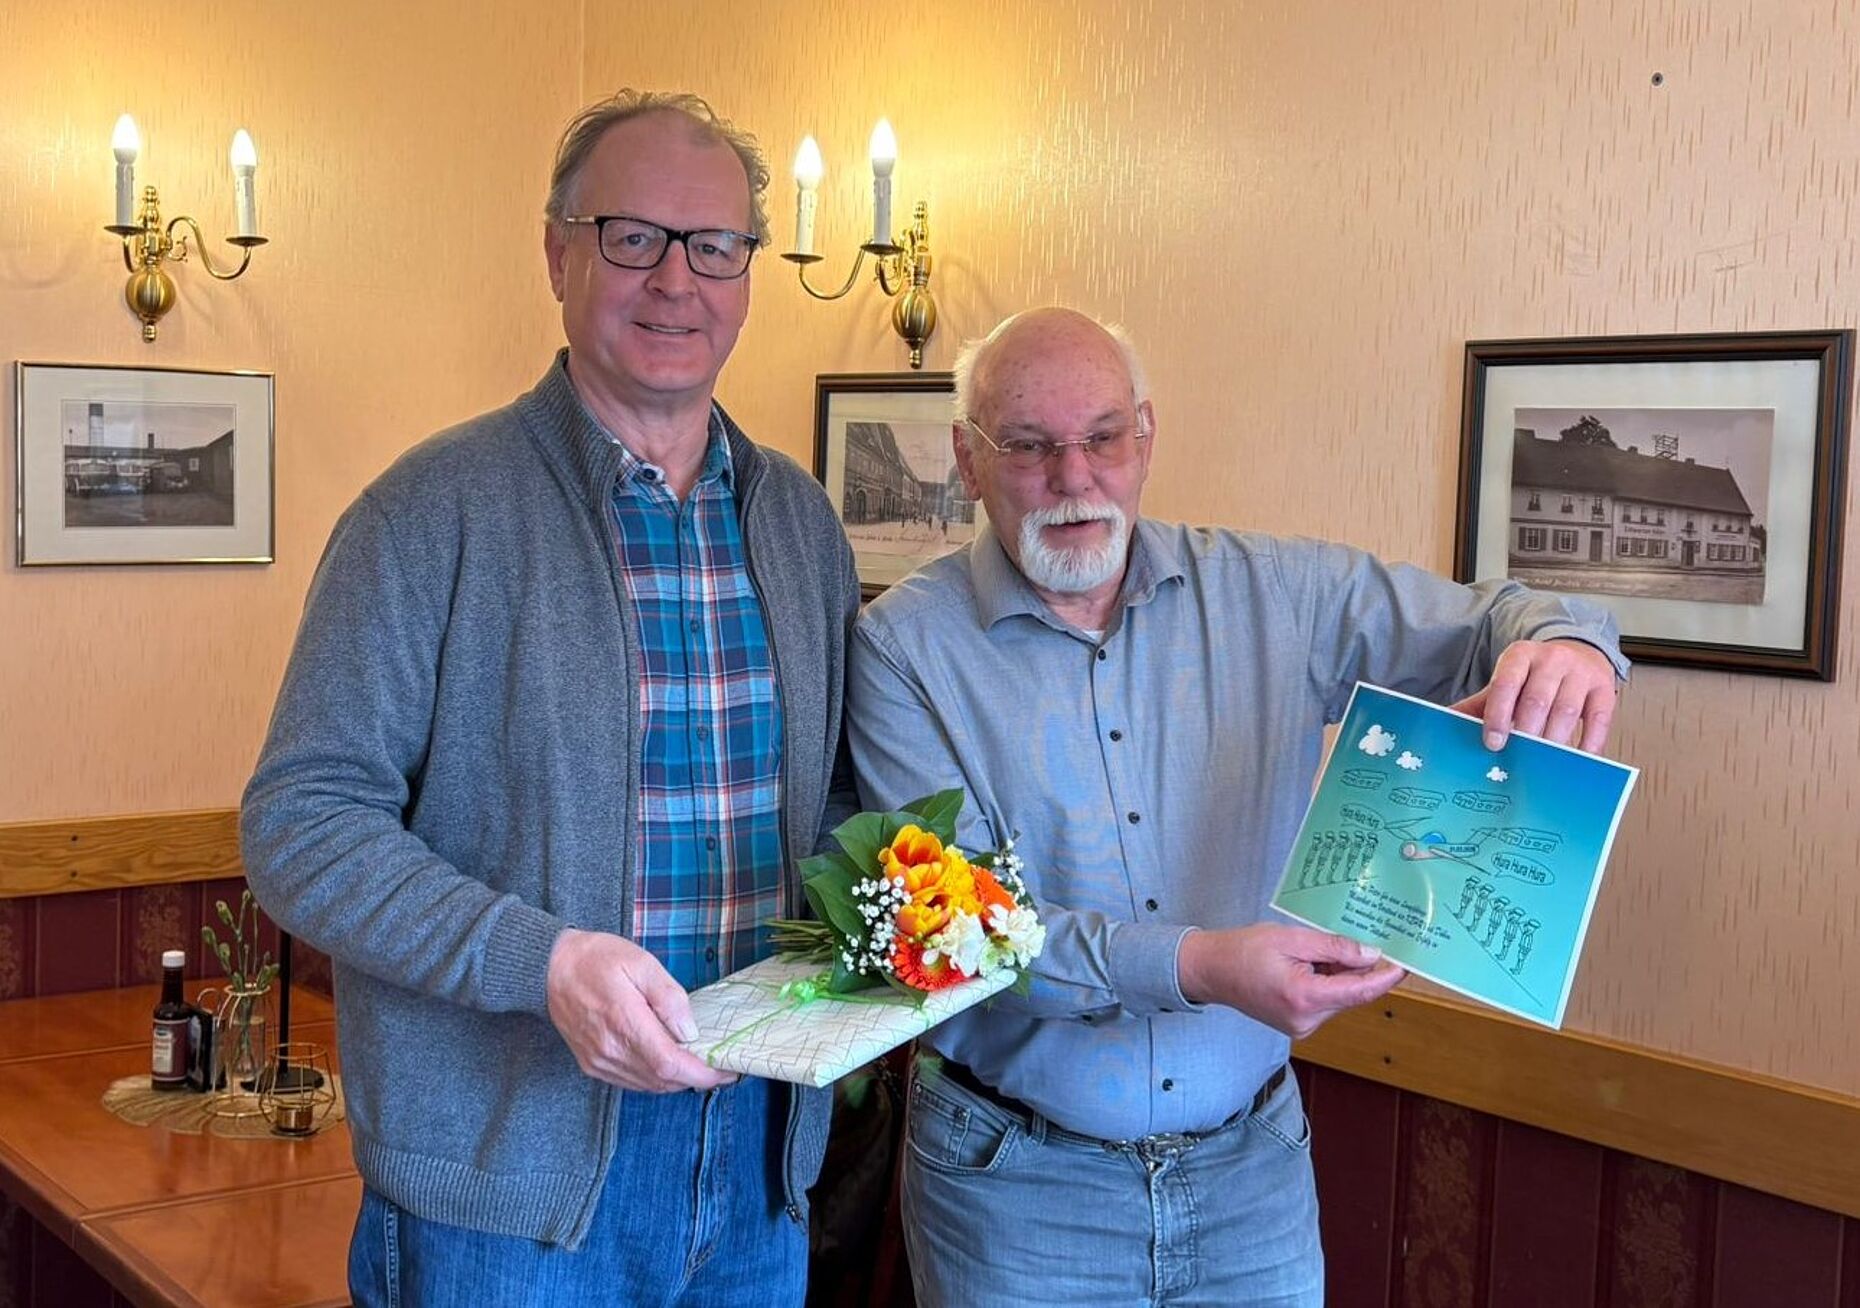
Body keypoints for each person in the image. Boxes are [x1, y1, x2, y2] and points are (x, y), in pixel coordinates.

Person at [846, 307, 1627, 1307]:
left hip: (1251, 1173)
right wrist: (1200, 966)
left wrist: (1566, 645)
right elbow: (949, 931)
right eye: (1030, 446)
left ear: (1148, 436)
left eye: (1103, 437)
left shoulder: (1279, 593)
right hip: (1014, 1190)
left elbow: (1499, 617)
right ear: (968, 456)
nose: (1074, 478)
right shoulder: (902, 648)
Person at [241, 90, 859, 1307]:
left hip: (755, 1168)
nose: (676, 280)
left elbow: (836, 804)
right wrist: (546, 963)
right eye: (633, 236)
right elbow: (300, 826)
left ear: (748, 273)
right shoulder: (427, 515)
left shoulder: (800, 524)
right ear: (558, 253)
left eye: (715, 247)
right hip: (503, 1198)